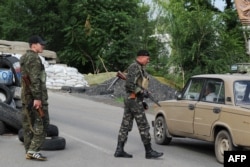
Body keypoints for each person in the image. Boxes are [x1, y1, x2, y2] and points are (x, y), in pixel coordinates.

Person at [114, 50, 163, 159]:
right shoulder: (134, 67)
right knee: (144, 125)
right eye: (147, 58)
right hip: (133, 100)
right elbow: (129, 85)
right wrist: (141, 92)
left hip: (132, 99)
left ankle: (119, 150)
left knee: (126, 124)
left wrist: (144, 93)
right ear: (141, 57)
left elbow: (137, 84)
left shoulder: (139, 68)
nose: (148, 60)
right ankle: (149, 151)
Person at [20, 35, 50, 161]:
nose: (43, 46)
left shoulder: (24, 57)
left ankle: (28, 150)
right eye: (41, 44)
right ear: (33, 45)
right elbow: (35, 80)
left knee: (28, 123)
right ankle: (33, 150)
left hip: (26, 96)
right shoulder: (34, 59)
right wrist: (38, 98)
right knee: (43, 122)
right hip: (35, 97)